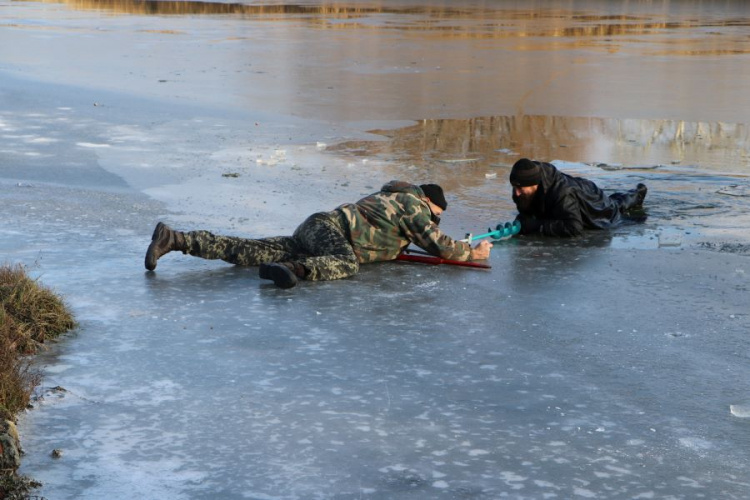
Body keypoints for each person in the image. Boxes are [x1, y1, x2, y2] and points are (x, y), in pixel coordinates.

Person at [145, 181, 492, 288]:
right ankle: (295, 269)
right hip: (331, 233)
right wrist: (472, 251)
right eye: (437, 216)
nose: (436, 222)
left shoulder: (391, 198)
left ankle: (175, 239)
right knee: (347, 264)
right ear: (428, 201)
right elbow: (438, 245)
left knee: (250, 249)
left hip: (316, 227)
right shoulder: (411, 204)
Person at [509, 158, 648, 237]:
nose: (516, 193)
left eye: (520, 189)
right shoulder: (522, 187)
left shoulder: (561, 193)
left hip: (594, 200)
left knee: (616, 205)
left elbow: (573, 227)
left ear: (535, 184)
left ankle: (638, 193)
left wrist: (535, 226)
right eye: (514, 187)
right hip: (576, 189)